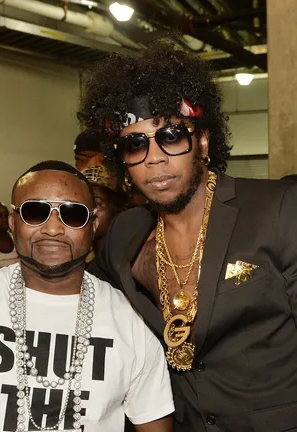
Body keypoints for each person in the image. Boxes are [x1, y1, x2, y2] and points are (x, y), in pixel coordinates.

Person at [79, 39, 297, 431]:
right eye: (135, 144)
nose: (155, 158)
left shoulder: (279, 208)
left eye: (171, 136)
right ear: (122, 161)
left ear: (203, 141)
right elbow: (78, 298)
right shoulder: (124, 235)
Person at [0, 160, 174, 432]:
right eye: (35, 212)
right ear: (13, 222)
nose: (53, 229)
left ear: (92, 226)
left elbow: (153, 423)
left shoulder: (131, 318)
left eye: (72, 215)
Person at [82, 164, 126, 255]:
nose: (86, 210)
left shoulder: (127, 262)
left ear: (119, 210)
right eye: (81, 203)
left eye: (96, 203)